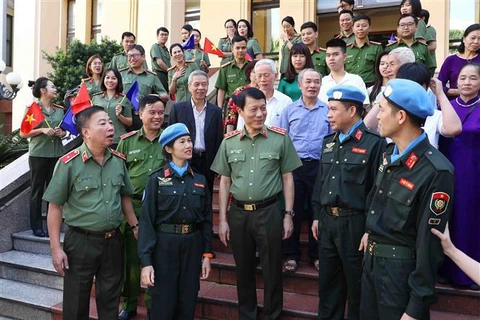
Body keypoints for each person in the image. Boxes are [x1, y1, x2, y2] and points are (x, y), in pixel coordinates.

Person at [360, 78, 454, 320]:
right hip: (372, 265)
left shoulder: (435, 170)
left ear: (401, 116)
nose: (377, 115)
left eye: (381, 109)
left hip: (400, 276)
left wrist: (415, 306)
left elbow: (430, 245)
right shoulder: (388, 154)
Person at [211, 87, 302, 320]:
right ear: (240, 111)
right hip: (239, 214)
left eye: (263, 108)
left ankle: (273, 314)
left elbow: (287, 177)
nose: (260, 114)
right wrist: (222, 219)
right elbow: (224, 182)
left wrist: (288, 214)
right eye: (253, 109)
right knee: (243, 269)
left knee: (272, 268)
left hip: (270, 211)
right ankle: (247, 314)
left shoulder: (279, 138)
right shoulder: (229, 142)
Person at [44, 106, 139, 320]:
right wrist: (55, 249)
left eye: (110, 122)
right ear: (86, 132)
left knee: (110, 301)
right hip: (81, 242)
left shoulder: (118, 161)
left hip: (113, 241)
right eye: (102, 123)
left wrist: (135, 226)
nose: (110, 127)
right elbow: (55, 207)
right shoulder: (68, 163)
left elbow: (125, 196)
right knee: (76, 303)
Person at [311, 85, 386, 320]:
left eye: (333, 109)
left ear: (352, 110)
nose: (328, 114)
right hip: (327, 222)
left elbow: (378, 190)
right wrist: (316, 215)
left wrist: (370, 228)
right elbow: (320, 181)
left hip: (356, 225)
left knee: (357, 289)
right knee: (328, 287)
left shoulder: (374, 143)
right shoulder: (329, 142)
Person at [139, 123, 213, 319]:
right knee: (163, 302)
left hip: (192, 245)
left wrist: (207, 254)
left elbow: (206, 220)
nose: (188, 145)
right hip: (165, 246)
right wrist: (146, 261)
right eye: (182, 142)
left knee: (188, 301)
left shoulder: (200, 179)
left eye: (189, 140)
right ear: (169, 149)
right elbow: (146, 222)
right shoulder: (156, 180)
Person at [116, 95, 166, 319]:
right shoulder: (127, 141)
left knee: (158, 257)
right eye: (152, 112)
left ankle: (154, 303)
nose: (157, 116)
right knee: (131, 260)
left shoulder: (170, 139)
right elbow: (118, 176)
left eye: (160, 112)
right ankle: (129, 304)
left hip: (162, 209)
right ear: (140, 114)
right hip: (133, 206)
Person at [279, 68, 330, 273]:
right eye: (308, 82)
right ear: (299, 85)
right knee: (294, 210)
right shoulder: (289, 110)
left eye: (316, 82)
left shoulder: (328, 110)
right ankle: (291, 255)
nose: (312, 86)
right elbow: (282, 139)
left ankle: (316, 255)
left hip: (320, 166)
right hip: (295, 166)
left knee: (318, 211)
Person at [365, 50, 462, 149]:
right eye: (406, 86)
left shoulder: (431, 115)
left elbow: (454, 128)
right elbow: (367, 125)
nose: (413, 92)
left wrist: (440, 93)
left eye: (418, 87)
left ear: (427, 87)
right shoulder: (391, 112)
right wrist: (390, 90)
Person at [439, 63, 480, 290]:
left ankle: (470, 273)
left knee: (471, 220)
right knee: (449, 216)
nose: (467, 82)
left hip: (474, 173)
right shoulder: (446, 106)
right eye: (463, 78)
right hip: (448, 171)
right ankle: (447, 269)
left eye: (473, 78)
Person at [20, 77, 66, 238]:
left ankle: (52, 225)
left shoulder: (59, 109)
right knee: (37, 191)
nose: (55, 89)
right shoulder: (34, 109)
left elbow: (65, 130)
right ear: (43, 90)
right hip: (38, 154)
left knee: (54, 192)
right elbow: (23, 133)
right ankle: (36, 226)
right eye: (52, 86)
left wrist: (63, 133)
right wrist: (41, 131)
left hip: (56, 154)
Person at [169, 70, 223, 197]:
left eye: (204, 84)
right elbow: (171, 137)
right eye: (196, 84)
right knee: (185, 198)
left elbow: (218, 139)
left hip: (207, 162)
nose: (200, 88)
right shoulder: (178, 109)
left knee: (206, 198)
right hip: (184, 161)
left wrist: (218, 164)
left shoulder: (215, 111)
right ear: (189, 87)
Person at [121, 45, 168, 130]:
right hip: (124, 117)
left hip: (143, 117)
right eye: (130, 56)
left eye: (135, 55)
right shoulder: (122, 74)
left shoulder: (151, 76)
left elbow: (165, 95)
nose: (132, 59)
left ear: (143, 57)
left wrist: (151, 98)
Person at [237, 59, 292, 129]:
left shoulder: (286, 101)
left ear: (276, 76)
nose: (263, 79)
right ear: (256, 78)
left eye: (266, 75)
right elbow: (240, 128)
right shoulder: (247, 100)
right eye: (259, 76)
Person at [318, 38, 369, 107]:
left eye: (336, 54)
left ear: (344, 56)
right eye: (328, 55)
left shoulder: (356, 80)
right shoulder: (321, 82)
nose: (331, 58)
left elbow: (364, 107)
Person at [91, 68, 133, 149]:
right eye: (107, 77)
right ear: (103, 79)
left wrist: (120, 115)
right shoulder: (96, 98)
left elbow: (130, 122)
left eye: (114, 78)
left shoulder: (124, 99)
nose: (110, 80)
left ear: (118, 81)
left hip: (119, 140)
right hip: (100, 139)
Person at [438, 23, 480, 97]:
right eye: (473, 38)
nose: (476, 42)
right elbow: (439, 86)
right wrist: (458, 91)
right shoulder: (451, 60)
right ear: (464, 39)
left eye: (479, 39)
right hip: (454, 104)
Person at [345, 14, 382, 86]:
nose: (360, 28)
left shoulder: (376, 48)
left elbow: (379, 70)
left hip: (370, 85)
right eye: (357, 26)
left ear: (369, 28)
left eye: (364, 26)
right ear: (353, 28)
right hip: (349, 85)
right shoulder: (346, 49)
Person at [215, 35, 249, 109]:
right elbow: (221, 89)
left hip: (249, 105)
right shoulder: (225, 68)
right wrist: (219, 108)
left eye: (243, 48)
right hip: (231, 107)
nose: (240, 50)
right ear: (232, 49)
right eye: (237, 48)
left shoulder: (252, 67)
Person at [224, 60, 258, 133]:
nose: (257, 75)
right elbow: (231, 117)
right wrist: (229, 136)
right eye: (255, 72)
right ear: (249, 74)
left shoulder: (266, 92)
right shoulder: (239, 92)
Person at [150, 27, 171, 94]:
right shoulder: (155, 47)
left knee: (165, 95)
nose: (164, 37)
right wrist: (169, 71)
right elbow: (159, 62)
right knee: (160, 95)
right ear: (157, 36)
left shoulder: (166, 50)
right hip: (159, 74)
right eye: (162, 35)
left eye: (166, 35)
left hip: (166, 75)